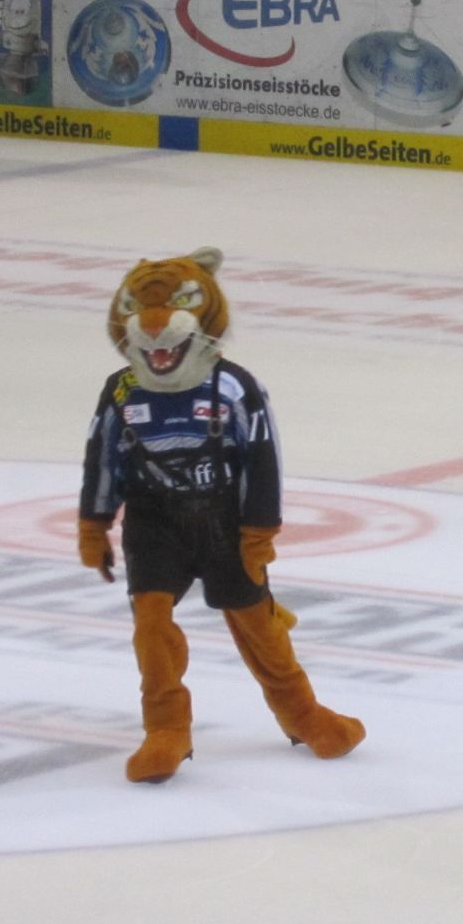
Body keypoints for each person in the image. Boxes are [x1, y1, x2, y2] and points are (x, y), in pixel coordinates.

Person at [80, 247, 366, 784]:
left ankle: (302, 713)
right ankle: (166, 728)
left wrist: (259, 529)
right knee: (151, 627)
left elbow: (263, 456)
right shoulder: (120, 389)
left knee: (259, 626)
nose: (156, 329)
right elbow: (102, 456)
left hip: (223, 520)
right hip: (153, 521)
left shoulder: (234, 386)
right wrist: (93, 523)